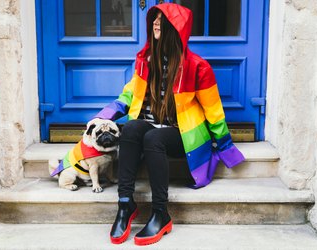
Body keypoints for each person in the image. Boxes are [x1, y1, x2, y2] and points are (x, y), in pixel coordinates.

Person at [88, 3, 245, 246]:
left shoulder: (197, 66)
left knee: (153, 139)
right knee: (129, 129)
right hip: (151, 126)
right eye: (155, 19)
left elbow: (214, 111)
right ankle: (125, 204)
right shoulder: (145, 60)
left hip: (181, 134)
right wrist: (104, 116)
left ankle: (161, 212)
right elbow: (129, 95)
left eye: (163, 20)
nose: (156, 23)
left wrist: (225, 147)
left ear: (178, 29)